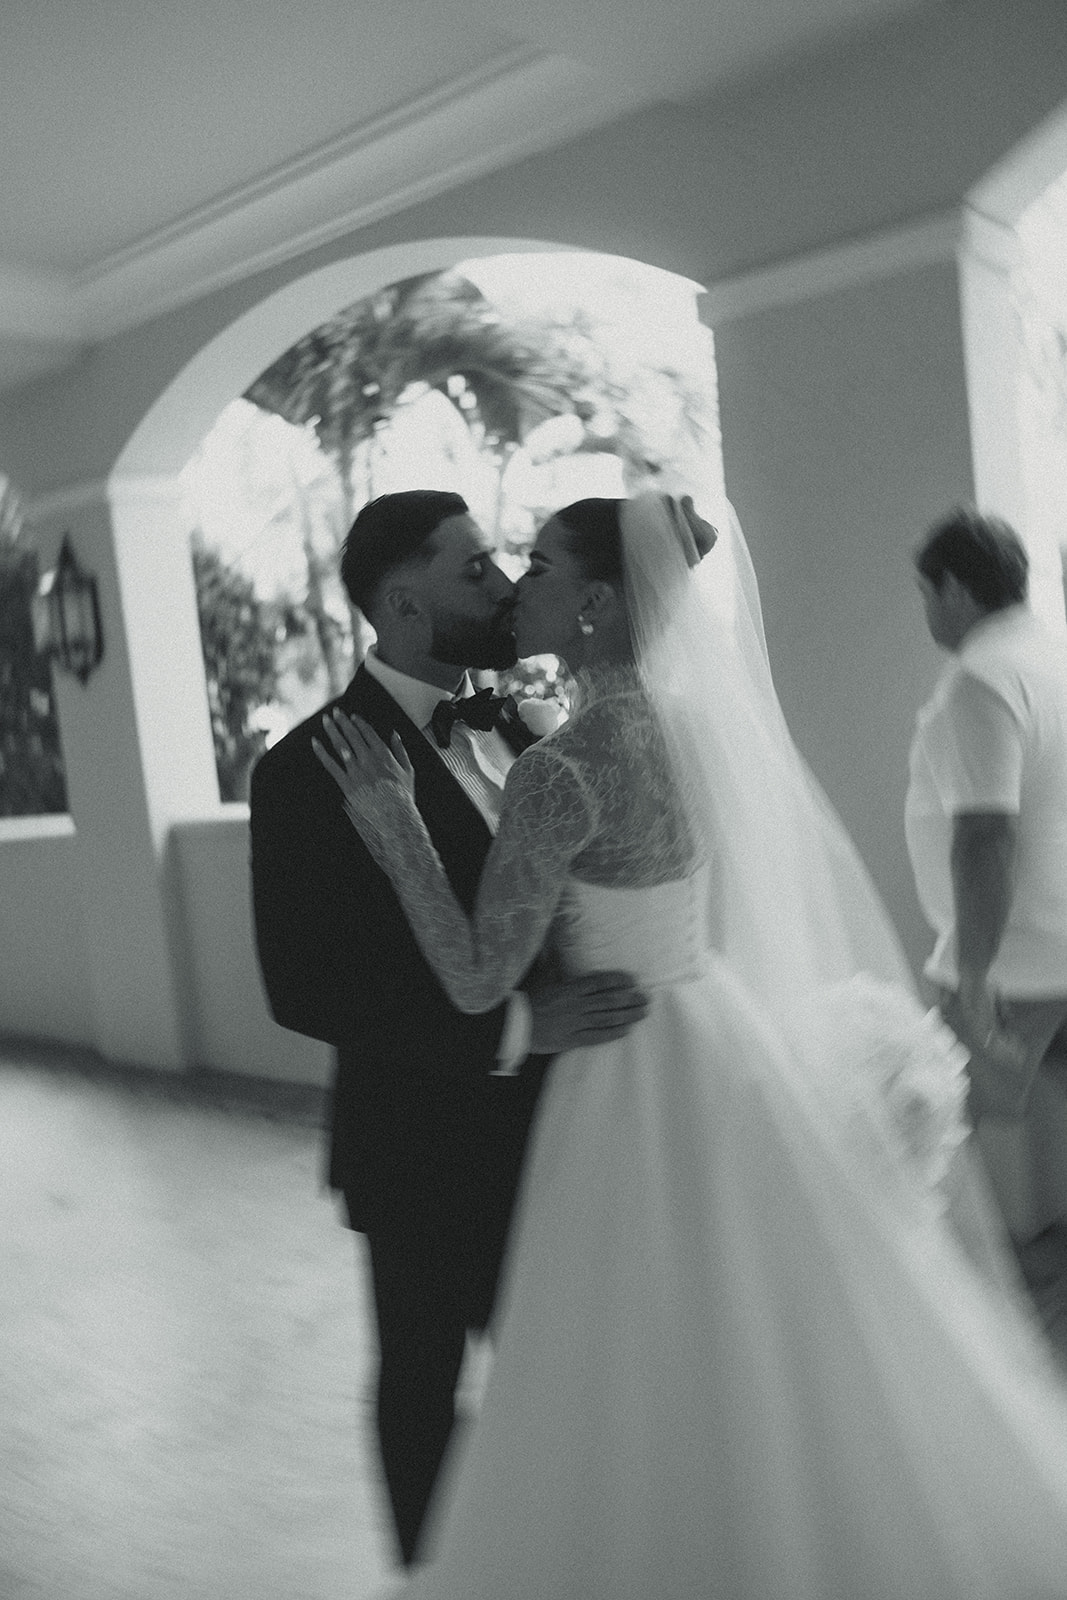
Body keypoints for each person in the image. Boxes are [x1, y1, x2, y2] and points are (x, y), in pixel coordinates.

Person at [318, 491, 1067, 1600]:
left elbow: (477, 972)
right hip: (717, 1033)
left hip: (618, 1071)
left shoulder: (560, 768)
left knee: (638, 1344)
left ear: (594, 604)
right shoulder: (700, 730)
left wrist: (396, 832)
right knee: (764, 1325)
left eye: (537, 567)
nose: (518, 586)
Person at [248, 489, 648, 1566]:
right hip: (419, 1145)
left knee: (560, 1368)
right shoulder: (302, 772)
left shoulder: (528, 724)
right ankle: (427, 1573)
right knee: (423, 1383)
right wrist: (517, 1029)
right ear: (401, 601)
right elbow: (306, 988)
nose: (506, 584)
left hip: (564, 1131)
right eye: (474, 569)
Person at [907, 506, 1067, 1242]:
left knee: (939, 1142)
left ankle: (988, 1320)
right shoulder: (1050, 655)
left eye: (925, 593)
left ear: (954, 591)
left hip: (1013, 970)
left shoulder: (978, 679)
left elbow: (983, 840)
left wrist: (971, 977)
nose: (927, 612)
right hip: (1053, 948)